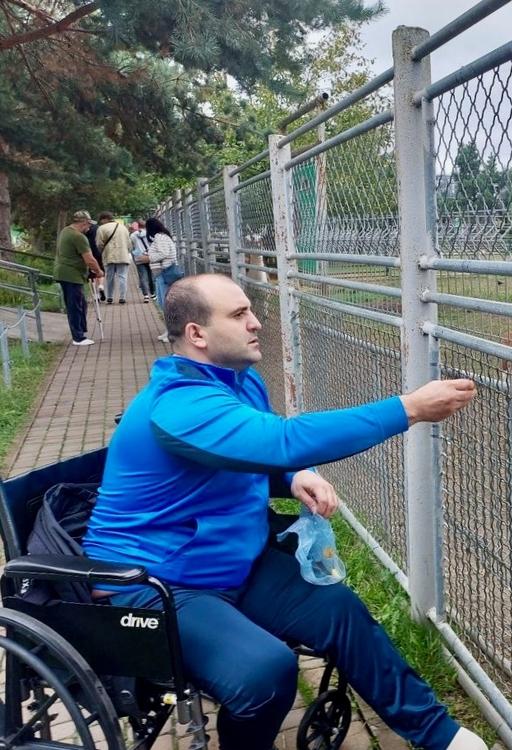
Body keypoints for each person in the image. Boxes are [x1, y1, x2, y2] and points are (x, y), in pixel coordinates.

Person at [81, 274, 487, 750]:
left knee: (338, 609)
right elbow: (283, 441)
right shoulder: (177, 405)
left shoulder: (241, 382)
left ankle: (439, 735)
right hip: (159, 583)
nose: (256, 322)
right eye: (238, 315)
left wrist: (292, 478)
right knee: (267, 670)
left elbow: (252, 458)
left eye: (250, 310)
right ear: (197, 334)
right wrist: (409, 408)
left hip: (229, 564)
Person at [54, 210, 104, 346]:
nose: (89, 228)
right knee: (75, 305)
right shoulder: (79, 237)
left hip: (65, 272)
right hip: (71, 274)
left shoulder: (65, 231)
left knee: (80, 303)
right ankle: (78, 337)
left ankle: (80, 332)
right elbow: (89, 259)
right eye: (88, 224)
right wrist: (99, 271)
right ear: (84, 222)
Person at [139, 217, 181, 342]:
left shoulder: (160, 237)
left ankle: (173, 332)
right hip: (161, 273)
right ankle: (169, 330)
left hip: (164, 272)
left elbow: (164, 253)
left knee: (166, 303)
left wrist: (149, 258)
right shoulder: (162, 237)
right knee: (163, 302)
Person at [95, 212, 132, 304]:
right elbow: (129, 243)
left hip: (109, 255)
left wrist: (102, 251)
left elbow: (99, 243)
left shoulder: (101, 228)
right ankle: (122, 297)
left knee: (109, 277)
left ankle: (110, 297)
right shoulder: (123, 228)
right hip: (123, 255)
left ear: (104, 219)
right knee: (122, 277)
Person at [129, 219, 154, 302]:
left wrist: (135, 253)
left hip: (139, 258)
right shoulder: (150, 233)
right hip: (150, 257)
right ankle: (153, 294)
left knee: (142, 277)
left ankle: (145, 295)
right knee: (151, 276)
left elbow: (130, 247)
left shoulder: (133, 235)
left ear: (138, 226)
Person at [83, 218, 106, 302]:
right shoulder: (98, 228)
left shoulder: (83, 230)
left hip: (88, 253)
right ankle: (101, 285)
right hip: (98, 252)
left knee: (91, 276)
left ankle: (95, 295)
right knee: (100, 271)